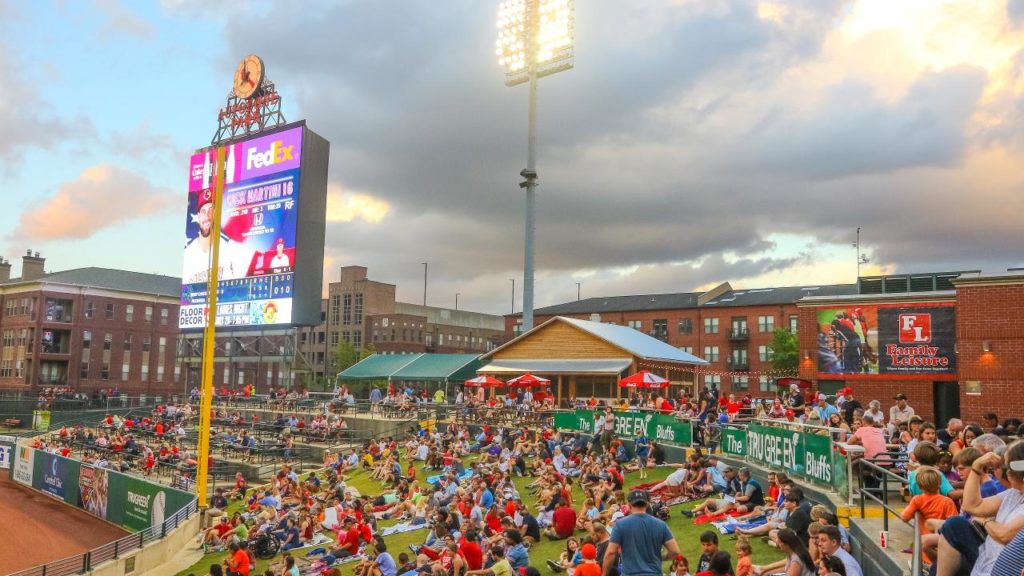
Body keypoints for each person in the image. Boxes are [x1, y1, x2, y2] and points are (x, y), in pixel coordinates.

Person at [935, 440, 1024, 576]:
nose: (1004, 472)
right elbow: (970, 506)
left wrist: (984, 520)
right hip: (984, 559)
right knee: (953, 526)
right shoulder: (1014, 493)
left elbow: (1004, 535)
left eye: (1007, 467)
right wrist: (976, 468)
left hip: (997, 568)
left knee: (953, 526)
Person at [603, 489, 681, 576]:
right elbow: (675, 551)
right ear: (647, 504)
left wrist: (604, 574)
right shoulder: (660, 525)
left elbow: (611, 553)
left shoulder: (620, 525)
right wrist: (663, 557)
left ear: (629, 505)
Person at [900, 466, 957, 539]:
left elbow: (904, 518)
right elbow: (954, 522)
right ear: (939, 484)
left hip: (924, 538)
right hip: (942, 539)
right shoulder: (948, 501)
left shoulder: (917, 500)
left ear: (920, 486)